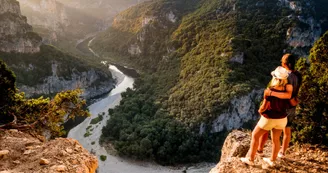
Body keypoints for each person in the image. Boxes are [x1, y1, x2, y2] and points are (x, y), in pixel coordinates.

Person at [241, 66, 292, 166]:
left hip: (269, 118)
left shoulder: (269, 91)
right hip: (282, 119)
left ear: (275, 78)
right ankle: (272, 160)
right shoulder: (287, 91)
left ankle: (250, 159)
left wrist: (260, 110)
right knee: (276, 140)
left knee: (255, 136)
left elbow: (264, 106)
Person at [257, 54, 302, 158]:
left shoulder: (286, 76)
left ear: (284, 64)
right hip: (292, 105)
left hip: (282, 105)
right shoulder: (298, 75)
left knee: (267, 126)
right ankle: (282, 152)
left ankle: (260, 149)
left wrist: (270, 94)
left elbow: (283, 91)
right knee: (287, 129)